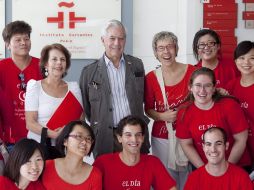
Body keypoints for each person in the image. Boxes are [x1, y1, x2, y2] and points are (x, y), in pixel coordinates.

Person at [79, 19, 150, 158]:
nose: (117, 43)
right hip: (106, 136)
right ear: (103, 40)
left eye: (121, 38)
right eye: (112, 38)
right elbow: (87, 108)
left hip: (135, 134)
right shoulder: (89, 72)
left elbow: (143, 97)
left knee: (136, 175)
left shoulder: (136, 65)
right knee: (108, 175)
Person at [145, 31, 195, 189]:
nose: (166, 52)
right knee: (167, 181)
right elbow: (148, 109)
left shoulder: (193, 72)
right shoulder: (151, 78)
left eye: (170, 47)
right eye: (161, 48)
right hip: (162, 138)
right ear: (155, 52)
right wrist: (161, 115)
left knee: (190, 179)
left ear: (176, 48)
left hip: (190, 135)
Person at [176, 67, 251, 169]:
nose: (202, 91)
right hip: (202, 166)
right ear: (190, 87)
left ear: (214, 88)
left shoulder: (229, 106)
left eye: (207, 85)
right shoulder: (184, 112)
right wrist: (204, 170)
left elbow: (241, 139)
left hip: (235, 165)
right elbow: (186, 144)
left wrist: (226, 169)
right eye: (198, 85)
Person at [25, 43, 83, 158]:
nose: (59, 63)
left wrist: (66, 131)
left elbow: (80, 119)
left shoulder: (74, 87)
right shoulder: (34, 86)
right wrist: (54, 134)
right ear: (46, 64)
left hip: (66, 148)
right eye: (54, 59)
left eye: (62, 59)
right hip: (38, 148)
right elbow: (30, 123)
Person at [94, 115, 176, 190]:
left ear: (143, 138)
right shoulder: (103, 163)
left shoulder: (153, 162)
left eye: (138, 135)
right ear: (119, 138)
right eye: (128, 135)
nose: (134, 139)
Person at [0, 20, 42, 149]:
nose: (23, 42)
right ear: (7, 44)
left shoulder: (43, 66)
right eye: (18, 40)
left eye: (26, 38)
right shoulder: (1, 68)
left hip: (39, 136)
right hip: (10, 139)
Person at [184, 127, 253, 190]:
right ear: (203, 147)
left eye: (218, 144)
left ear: (226, 146)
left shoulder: (241, 177)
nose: (213, 149)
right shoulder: (194, 179)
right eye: (208, 144)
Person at [42, 120, 102, 189]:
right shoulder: (46, 166)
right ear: (65, 141)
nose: (84, 142)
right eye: (79, 136)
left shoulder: (95, 175)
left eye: (88, 139)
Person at [227, 41, 254, 165]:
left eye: (252, 58)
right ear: (235, 61)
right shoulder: (231, 86)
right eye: (242, 58)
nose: (246, 63)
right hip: (238, 151)